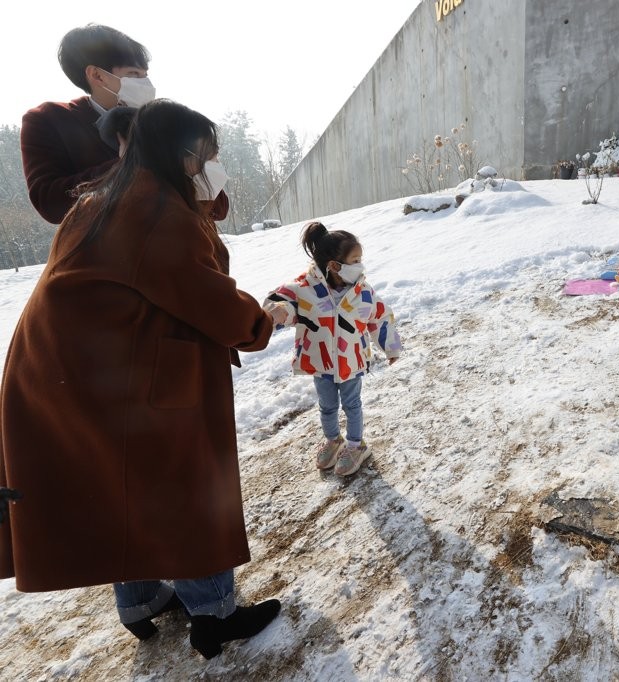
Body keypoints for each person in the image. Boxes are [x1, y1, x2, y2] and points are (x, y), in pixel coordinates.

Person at [0, 99, 289, 660]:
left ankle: (142, 602)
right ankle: (213, 614)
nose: (216, 166)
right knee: (184, 483)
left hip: (78, 375)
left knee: (124, 484)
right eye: (210, 156)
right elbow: (211, 301)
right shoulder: (154, 214)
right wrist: (265, 320)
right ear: (184, 157)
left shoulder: (111, 197)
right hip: (109, 375)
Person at [20, 24, 227, 224]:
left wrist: (201, 166)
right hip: (109, 256)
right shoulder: (48, 120)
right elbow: (50, 203)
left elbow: (218, 209)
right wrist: (128, 164)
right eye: (133, 74)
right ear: (97, 75)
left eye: (145, 75)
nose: (146, 84)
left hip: (183, 250)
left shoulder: (164, 121)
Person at [264, 223, 402, 476]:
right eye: (356, 260)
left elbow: (380, 317)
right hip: (320, 361)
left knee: (352, 404)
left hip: (351, 362)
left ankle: (356, 445)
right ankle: (333, 440)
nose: (361, 265)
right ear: (334, 265)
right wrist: (280, 311)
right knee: (326, 406)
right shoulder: (305, 289)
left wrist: (391, 348)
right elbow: (282, 299)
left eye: (361, 259)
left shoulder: (362, 292)